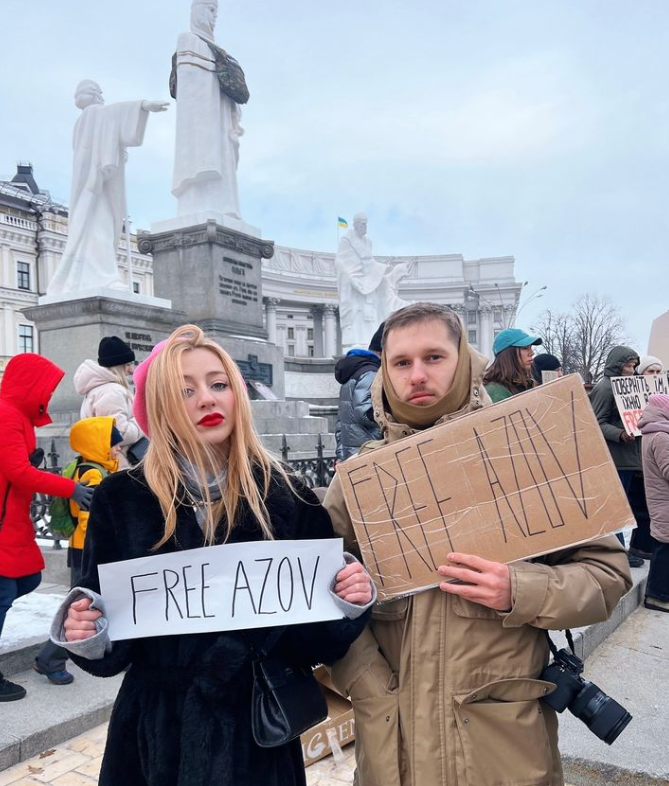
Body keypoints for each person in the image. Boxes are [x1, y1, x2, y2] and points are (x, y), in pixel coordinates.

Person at [50, 325, 374, 786]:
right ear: (159, 406)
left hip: (255, 741)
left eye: (218, 384)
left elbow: (314, 644)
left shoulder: (288, 498)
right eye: (185, 390)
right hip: (154, 738)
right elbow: (110, 640)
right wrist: (87, 630)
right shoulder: (122, 500)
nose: (207, 399)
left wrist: (345, 603)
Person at [324, 302, 631, 786]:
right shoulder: (358, 480)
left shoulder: (525, 453)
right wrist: (366, 679)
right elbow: (321, 594)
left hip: (496, 747)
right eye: (401, 362)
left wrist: (519, 589)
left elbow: (607, 575)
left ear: (463, 360)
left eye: (434, 357)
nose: (417, 375)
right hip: (392, 743)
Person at [0, 354, 94, 702]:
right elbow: (17, 472)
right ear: (29, 386)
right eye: (47, 388)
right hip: (3, 522)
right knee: (3, 595)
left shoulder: (18, 416)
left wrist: (30, 462)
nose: (50, 395)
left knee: (28, 580)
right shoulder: (7, 415)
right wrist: (71, 488)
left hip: (11, 521)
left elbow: (15, 465)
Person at [47, 80, 167, 295]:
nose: (102, 97)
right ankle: (103, 277)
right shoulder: (94, 113)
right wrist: (144, 105)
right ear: (94, 95)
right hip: (95, 184)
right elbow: (114, 115)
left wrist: (116, 153)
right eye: (99, 93)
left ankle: (91, 278)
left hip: (91, 184)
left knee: (96, 229)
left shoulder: (83, 121)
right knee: (100, 229)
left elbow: (102, 142)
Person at [34, 417, 124, 686]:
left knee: (86, 605)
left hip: (80, 546)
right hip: (90, 548)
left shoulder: (79, 464)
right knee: (83, 607)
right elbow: (91, 517)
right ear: (98, 444)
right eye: (113, 444)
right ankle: (50, 659)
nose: (117, 449)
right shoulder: (93, 472)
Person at [169, 0, 248, 223]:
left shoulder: (218, 50)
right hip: (200, 122)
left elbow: (233, 90)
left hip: (219, 119)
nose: (214, 17)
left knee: (223, 168)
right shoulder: (188, 39)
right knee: (203, 168)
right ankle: (198, 205)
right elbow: (188, 87)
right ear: (198, 10)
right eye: (211, 10)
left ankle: (223, 207)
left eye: (216, 12)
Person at [589, 346, 644, 568]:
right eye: (628, 366)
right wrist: (620, 434)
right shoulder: (605, 388)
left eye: (633, 366)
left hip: (629, 458)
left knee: (625, 507)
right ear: (618, 365)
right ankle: (619, 552)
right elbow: (596, 422)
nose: (632, 370)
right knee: (616, 509)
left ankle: (621, 550)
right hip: (616, 457)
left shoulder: (630, 386)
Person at [334, 213, 413, 350]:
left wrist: (382, 269)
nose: (365, 226)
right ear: (355, 225)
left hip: (368, 279)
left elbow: (369, 262)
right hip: (354, 281)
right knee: (358, 313)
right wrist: (352, 279)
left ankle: (372, 340)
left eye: (366, 223)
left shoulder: (368, 242)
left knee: (375, 302)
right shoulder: (347, 240)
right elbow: (341, 262)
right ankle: (357, 342)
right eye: (362, 224)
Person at [74, 336, 144, 468]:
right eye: (127, 365)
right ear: (117, 366)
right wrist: (142, 421)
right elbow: (120, 433)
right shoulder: (113, 391)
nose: (131, 370)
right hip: (119, 463)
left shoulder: (98, 389)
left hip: (109, 461)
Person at [334, 322, 383, 461]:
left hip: (351, 453)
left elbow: (340, 424)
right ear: (382, 352)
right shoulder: (371, 374)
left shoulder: (353, 373)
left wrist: (340, 455)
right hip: (367, 452)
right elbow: (365, 413)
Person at [639, 394, 669, 612]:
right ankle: (657, 596)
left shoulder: (653, 432)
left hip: (661, 499)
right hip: (665, 501)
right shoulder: (661, 436)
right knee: (665, 547)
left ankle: (659, 593)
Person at [483, 327, 542, 402]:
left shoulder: (527, 384)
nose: (532, 353)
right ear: (508, 354)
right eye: (524, 348)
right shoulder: (495, 392)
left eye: (530, 347)